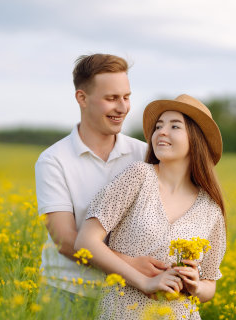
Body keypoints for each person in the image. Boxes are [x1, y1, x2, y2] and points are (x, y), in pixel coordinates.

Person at [75, 94, 227, 320]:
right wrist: (143, 281)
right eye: (158, 126)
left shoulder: (211, 209)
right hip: (123, 318)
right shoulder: (138, 177)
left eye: (175, 126)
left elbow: (210, 284)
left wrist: (195, 285)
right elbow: (86, 242)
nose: (161, 132)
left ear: (196, 139)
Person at [35, 54, 168, 304]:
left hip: (129, 296)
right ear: (82, 98)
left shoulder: (145, 154)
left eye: (126, 97)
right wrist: (132, 265)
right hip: (69, 293)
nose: (122, 108)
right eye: (111, 98)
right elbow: (64, 240)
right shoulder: (54, 160)